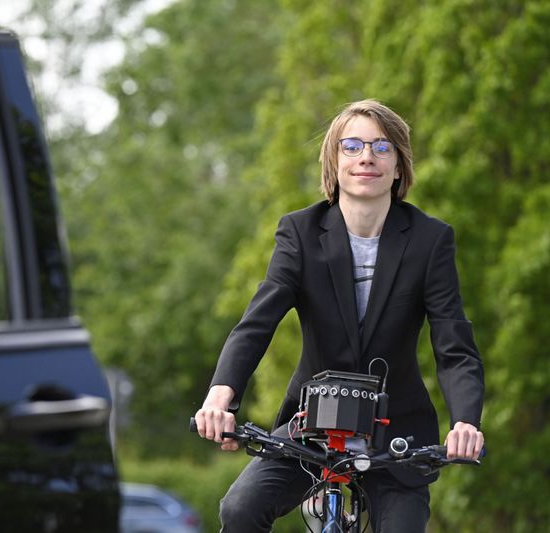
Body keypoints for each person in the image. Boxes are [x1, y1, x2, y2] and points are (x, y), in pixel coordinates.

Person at [193, 99, 485, 532]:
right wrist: (220, 396)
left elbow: (453, 343)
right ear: (333, 162)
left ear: (399, 167)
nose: (366, 156)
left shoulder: (430, 240)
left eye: (381, 148)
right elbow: (257, 323)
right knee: (239, 509)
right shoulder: (300, 232)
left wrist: (465, 421)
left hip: (395, 431)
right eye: (351, 146)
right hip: (310, 426)